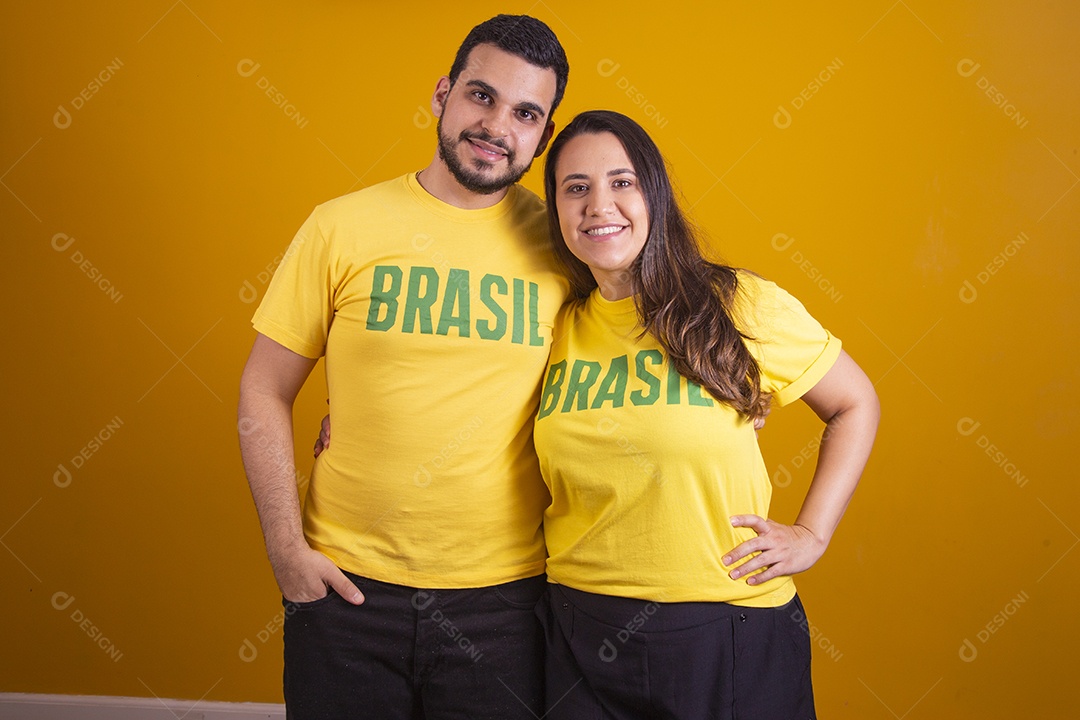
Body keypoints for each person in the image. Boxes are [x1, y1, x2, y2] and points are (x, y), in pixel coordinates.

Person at [237, 15, 571, 720]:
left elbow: (647, 328)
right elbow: (265, 388)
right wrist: (285, 553)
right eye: (480, 96)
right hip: (344, 591)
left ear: (542, 136)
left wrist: (728, 378)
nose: (496, 124)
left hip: (506, 602)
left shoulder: (566, 248)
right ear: (443, 94)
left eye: (525, 113)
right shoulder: (341, 225)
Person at [532, 110, 880, 719]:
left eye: (623, 182)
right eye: (576, 188)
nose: (598, 205)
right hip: (576, 628)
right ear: (556, 209)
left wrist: (813, 533)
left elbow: (855, 403)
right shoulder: (550, 326)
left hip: (729, 631)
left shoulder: (736, 303)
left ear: (654, 195)